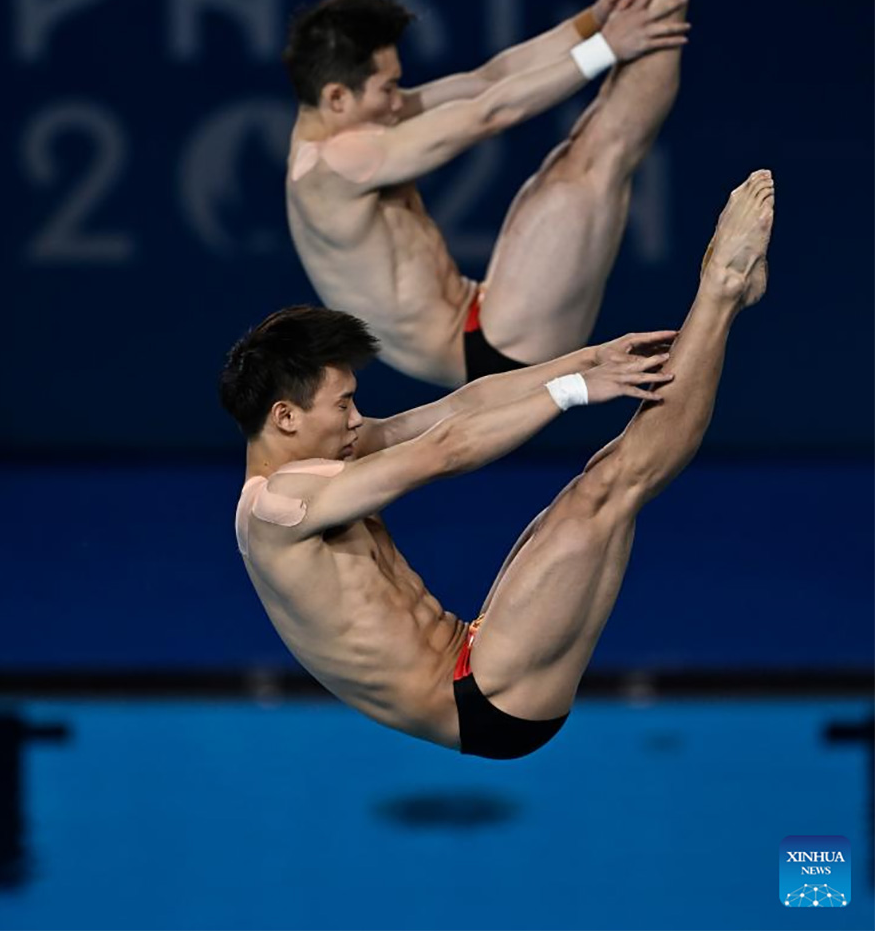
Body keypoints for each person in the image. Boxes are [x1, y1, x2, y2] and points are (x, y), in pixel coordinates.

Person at [220, 171, 773, 760]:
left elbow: (458, 408)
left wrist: (589, 358)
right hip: (481, 699)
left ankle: (726, 297)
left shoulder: (324, 462)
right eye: (343, 404)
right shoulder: (278, 507)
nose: (357, 419)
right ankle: (721, 289)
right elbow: (443, 451)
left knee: (606, 486)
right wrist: (572, 390)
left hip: (476, 652)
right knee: (610, 488)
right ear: (284, 416)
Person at [283, 0, 721, 386]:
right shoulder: (340, 162)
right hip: (487, 353)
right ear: (336, 98)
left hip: (485, 309)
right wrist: (607, 48)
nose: (400, 100)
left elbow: (486, 80)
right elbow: (490, 113)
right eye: (389, 88)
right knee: (590, 164)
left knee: (578, 158)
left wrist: (590, 24)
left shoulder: (351, 124)